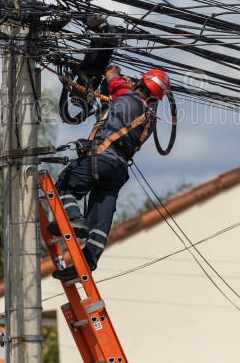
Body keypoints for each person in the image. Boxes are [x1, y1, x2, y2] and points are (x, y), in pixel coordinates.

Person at [50, 66, 171, 281]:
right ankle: (87, 263)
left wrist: (111, 70)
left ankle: (75, 219)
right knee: (100, 216)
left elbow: (114, 83)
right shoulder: (149, 120)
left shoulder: (127, 98)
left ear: (142, 84)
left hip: (102, 158)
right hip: (117, 170)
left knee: (65, 185)